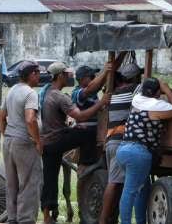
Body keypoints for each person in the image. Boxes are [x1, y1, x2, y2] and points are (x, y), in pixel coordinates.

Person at [40, 62, 109, 224]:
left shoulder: (46, 93)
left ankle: (46, 216)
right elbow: (80, 116)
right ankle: (88, 161)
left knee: (49, 179)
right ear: (59, 76)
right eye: (66, 74)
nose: (69, 77)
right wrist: (101, 103)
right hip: (55, 141)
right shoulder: (59, 96)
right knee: (86, 131)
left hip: (49, 143)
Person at [117, 78, 172, 224]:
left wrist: (161, 89)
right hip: (138, 153)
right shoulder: (155, 107)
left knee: (142, 190)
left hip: (123, 149)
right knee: (131, 191)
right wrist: (167, 89)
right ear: (157, 93)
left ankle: (141, 221)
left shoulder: (137, 100)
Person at [0, 61, 43, 224]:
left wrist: (7, 134)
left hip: (9, 141)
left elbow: (0, 117)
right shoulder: (30, 93)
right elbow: (30, 119)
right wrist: (37, 141)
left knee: (12, 184)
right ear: (32, 74)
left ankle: (13, 219)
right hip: (24, 142)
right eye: (38, 73)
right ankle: (25, 220)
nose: (39, 76)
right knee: (29, 184)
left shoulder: (12, 91)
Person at [98, 62, 143, 224]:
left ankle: (109, 218)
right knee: (115, 183)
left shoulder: (114, 94)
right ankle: (103, 220)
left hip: (111, 141)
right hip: (120, 142)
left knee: (115, 182)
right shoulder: (134, 91)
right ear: (135, 78)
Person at [70, 65, 106, 130]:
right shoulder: (76, 93)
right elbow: (90, 89)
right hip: (84, 131)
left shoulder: (93, 94)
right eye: (92, 77)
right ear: (81, 79)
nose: (94, 78)